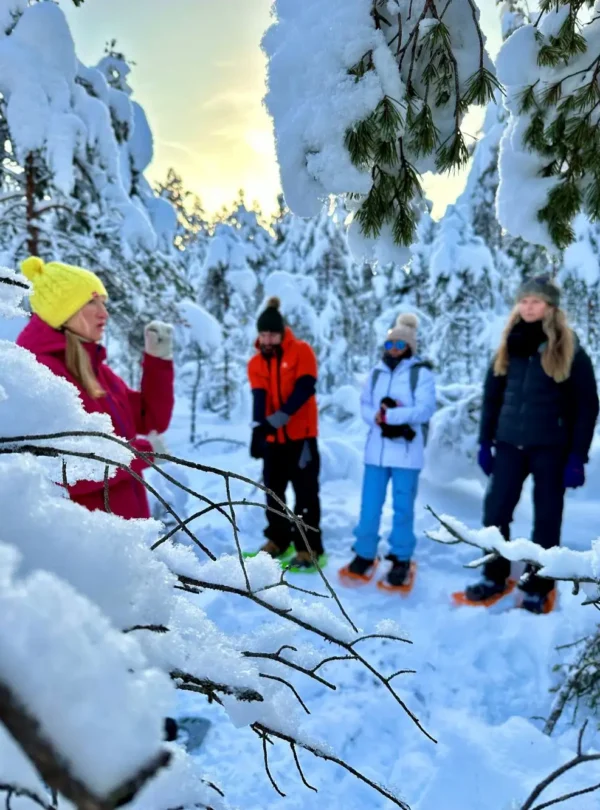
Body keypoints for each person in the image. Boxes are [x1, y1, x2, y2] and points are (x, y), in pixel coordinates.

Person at [462, 275, 599, 613]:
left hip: (551, 449)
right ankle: (494, 575)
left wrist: (577, 457)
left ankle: (539, 583)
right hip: (509, 444)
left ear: (550, 307)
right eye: (524, 301)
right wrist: (485, 442)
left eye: (535, 302)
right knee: (495, 512)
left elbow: (587, 405)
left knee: (547, 519)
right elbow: (492, 397)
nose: (528, 307)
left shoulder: (569, 347)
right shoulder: (510, 343)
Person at [17, 256, 174, 520]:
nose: (104, 312)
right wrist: (140, 454)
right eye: (91, 301)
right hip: (85, 539)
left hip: (123, 532)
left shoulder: (96, 369)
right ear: (62, 312)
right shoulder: (41, 374)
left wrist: (158, 361)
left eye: (103, 301)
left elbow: (150, 419)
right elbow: (62, 471)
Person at [339, 314, 436, 590]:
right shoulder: (377, 372)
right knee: (369, 506)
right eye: (390, 343)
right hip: (376, 453)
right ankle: (364, 552)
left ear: (409, 346)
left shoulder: (421, 373)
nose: (393, 349)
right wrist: (377, 416)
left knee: (403, 509)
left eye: (399, 344)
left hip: (407, 453)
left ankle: (401, 558)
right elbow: (365, 406)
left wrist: (390, 415)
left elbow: (425, 409)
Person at [247, 297, 325, 572]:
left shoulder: (301, 351)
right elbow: (259, 397)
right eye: (263, 334)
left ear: (281, 333)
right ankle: (279, 539)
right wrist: (258, 430)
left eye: (272, 334)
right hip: (273, 442)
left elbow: (305, 389)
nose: (267, 339)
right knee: (273, 493)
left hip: (301, 439)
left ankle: (308, 547)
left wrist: (277, 420)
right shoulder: (256, 362)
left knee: (305, 494)